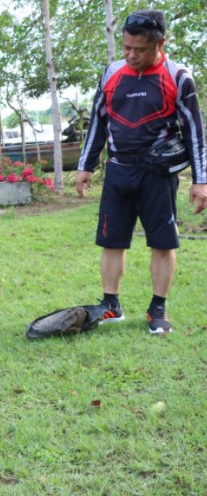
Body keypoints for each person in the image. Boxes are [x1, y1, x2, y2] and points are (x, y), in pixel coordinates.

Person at [76, 9, 207, 335]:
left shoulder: (179, 77)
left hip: (157, 174)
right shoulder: (111, 74)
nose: (131, 55)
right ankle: (111, 305)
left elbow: (194, 132)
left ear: (160, 43)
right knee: (111, 242)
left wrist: (202, 180)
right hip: (118, 171)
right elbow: (98, 122)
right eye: (126, 48)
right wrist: (85, 166)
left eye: (140, 50)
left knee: (163, 243)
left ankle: (157, 310)